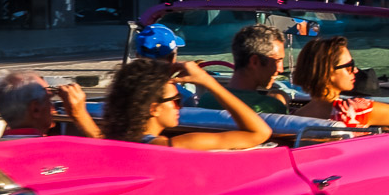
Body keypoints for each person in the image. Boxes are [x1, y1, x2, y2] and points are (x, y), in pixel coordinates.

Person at [101, 59, 272, 150]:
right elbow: (260, 132)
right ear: (153, 108)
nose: (180, 107)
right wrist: (208, 82)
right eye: (176, 101)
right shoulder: (172, 147)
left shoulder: (113, 143)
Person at [292, 36, 389, 128]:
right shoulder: (355, 111)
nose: (355, 70)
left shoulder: (296, 116)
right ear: (327, 73)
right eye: (349, 67)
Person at [194, 24, 289, 115]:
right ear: (255, 61)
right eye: (277, 61)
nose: (280, 69)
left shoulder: (207, 100)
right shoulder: (271, 106)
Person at [0, 69, 101, 138]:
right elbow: (111, 156)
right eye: (49, 100)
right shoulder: (52, 149)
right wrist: (79, 114)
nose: (53, 108)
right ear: (35, 109)